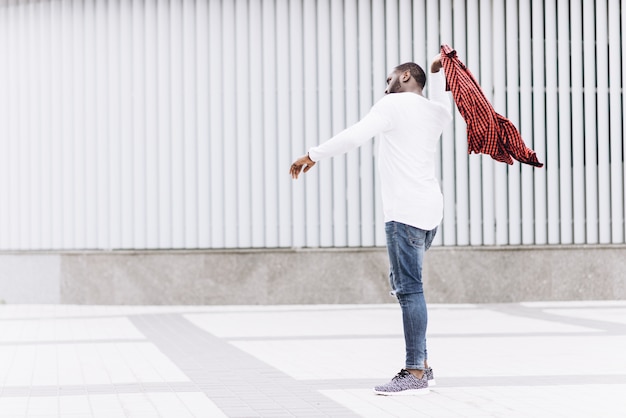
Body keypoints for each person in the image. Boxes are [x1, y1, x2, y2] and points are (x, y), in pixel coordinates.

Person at [290, 55, 452, 396]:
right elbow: (438, 96)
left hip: (404, 211)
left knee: (409, 289)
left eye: (389, 78)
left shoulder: (392, 105)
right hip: (430, 210)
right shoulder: (437, 112)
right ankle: (423, 364)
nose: (385, 85)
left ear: (406, 76)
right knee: (407, 285)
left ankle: (414, 371)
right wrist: (437, 74)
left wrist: (313, 154)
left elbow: (354, 136)